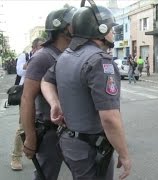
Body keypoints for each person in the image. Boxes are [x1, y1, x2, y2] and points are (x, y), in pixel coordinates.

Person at [41, 4, 131, 180]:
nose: (113, 32)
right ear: (100, 29)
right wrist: (124, 154)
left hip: (69, 143)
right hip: (90, 148)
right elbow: (110, 118)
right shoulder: (100, 62)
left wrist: (54, 104)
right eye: (111, 27)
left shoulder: (65, 56)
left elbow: (46, 81)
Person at [21, 7, 76, 180]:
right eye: (72, 24)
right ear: (63, 29)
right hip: (50, 134)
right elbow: (27, 98)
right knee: (46, 176)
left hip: (70, 132)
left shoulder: (70, 54)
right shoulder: (42, 57)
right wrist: (30, 137)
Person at [10, 37, 45, 171]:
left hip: (43, 94)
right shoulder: (24, 56)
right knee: (23, 127)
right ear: (34, 48)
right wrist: (35, 61)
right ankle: (16, 157)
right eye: (41, 47)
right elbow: (20, 71)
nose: (43, 49)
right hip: (27, 95)